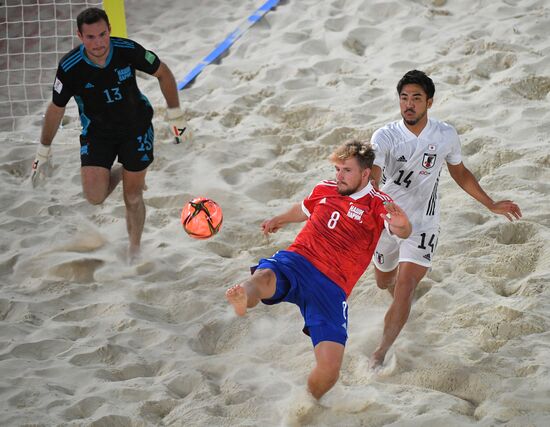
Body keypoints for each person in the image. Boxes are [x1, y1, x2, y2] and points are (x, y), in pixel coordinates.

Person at [225, 140, 412, 400]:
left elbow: (401, 229)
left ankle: (307, 402)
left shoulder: (378, 203)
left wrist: (403, 225)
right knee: (263, 276)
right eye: (337, 169)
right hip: (298, 261)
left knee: (329, 370)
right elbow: (303, 209)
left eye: (346, 170)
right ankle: (243, 298)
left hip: (332, 287)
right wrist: (277, 219)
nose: (339, 176)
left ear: (365, 174)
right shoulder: (325, 188)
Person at [368, 69, 522, 368]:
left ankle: (380, 352)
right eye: (404, 98)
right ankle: (395, 297)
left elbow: (460, 173)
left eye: (416, 98)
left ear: (430, 102)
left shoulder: (445, 134)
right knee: (383, 280)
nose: (409, 104)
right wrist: (370, 196)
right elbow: (372, 175)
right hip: (387, 220)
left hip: (424, 222)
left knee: (406, 288)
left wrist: (490, 203)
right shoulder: (385, 136)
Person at [30, 7, 191, 258]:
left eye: (102, 34)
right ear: (80, 36)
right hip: (98, 134)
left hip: (136, 127)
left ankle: (134, 250)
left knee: (133, 196)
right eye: (90, 37)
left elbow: (163, 73)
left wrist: (176, 116)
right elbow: (56, 108)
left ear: (109, 31)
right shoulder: (70, 67)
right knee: (94, 197)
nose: (98, 43)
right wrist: (43, 149)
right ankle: (125, 171)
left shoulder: (127, 50)